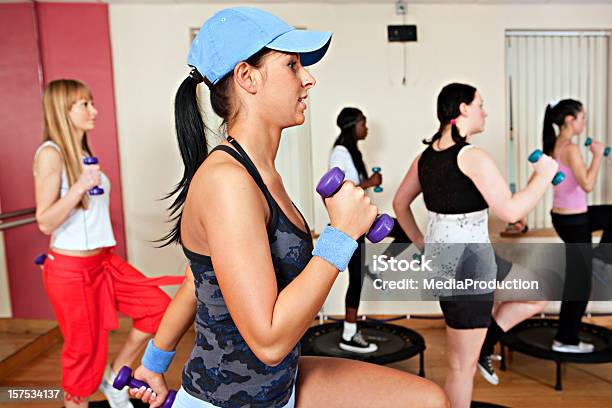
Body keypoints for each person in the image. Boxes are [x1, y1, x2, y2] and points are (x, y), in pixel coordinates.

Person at [128, 7, 448, 408]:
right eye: (293, 66)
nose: (309, 78)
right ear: (248, 77)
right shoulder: (227, 181)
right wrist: (341, 234)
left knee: (428, 400)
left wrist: (154, 363)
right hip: (232, 399)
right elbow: (269, 341)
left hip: (282, 383)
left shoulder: (261, 173)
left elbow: (198, 281)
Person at [393, 83, 553, 407]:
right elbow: (509, 209)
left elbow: (399, 204)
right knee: (459, 369)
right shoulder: (471, 156)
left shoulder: (424, 159)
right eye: (481, 104)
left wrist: (424, 245)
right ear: (463, 108)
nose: (485, 111)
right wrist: (542, 177)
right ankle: (478, 354)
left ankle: (487, 343)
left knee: (536, 293)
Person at [33, 79, 183, 408]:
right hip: (72, 271)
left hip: (102, 262)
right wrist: (78, 189)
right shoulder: (51, 154)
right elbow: (45, 220)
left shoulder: (82, 153)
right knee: (82, 355)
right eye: (84, 104)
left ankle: (116, 374)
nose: (94, 110)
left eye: (91, 102)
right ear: (63, 110)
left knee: (159, 310)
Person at [329, 107, 411, 353]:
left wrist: (367, 185)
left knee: (405, 232)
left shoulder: (352, 152)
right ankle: (349, 335)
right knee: (355, 280)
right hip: (350, 222)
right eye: (364, 123)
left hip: (360, 219)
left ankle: (376, 268)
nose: (367, 128)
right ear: (353, 125)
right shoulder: (340, 153)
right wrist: (369, 183)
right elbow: (337, 189)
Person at [543, 99, 611, 353]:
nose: (584, 122)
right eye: (582, 118)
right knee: (580, 283)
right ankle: (566, 340)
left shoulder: (554, 144)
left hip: (566, 218)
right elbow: (588, 185)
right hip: (574, 221)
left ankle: (603, 254)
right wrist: (596, 156)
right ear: (570, 120)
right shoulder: (570, 148)